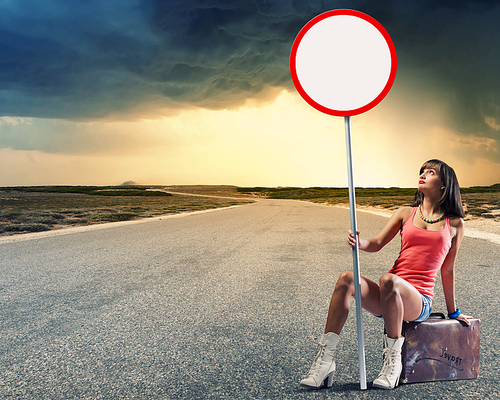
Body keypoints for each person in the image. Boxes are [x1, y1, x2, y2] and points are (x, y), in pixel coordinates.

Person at [300, 159, 472, 390]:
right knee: (346, 279)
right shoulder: (404, 213)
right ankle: (325, 361)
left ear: (444, 184)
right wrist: (361, 242)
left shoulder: (455, 224)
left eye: (430, 172)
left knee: (389, 280)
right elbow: (377, 243)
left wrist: (454, 312)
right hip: (388, 295)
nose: (422, 174)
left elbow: (448, 269)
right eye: (422, 171)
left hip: (418, 301)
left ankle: (393, 363)